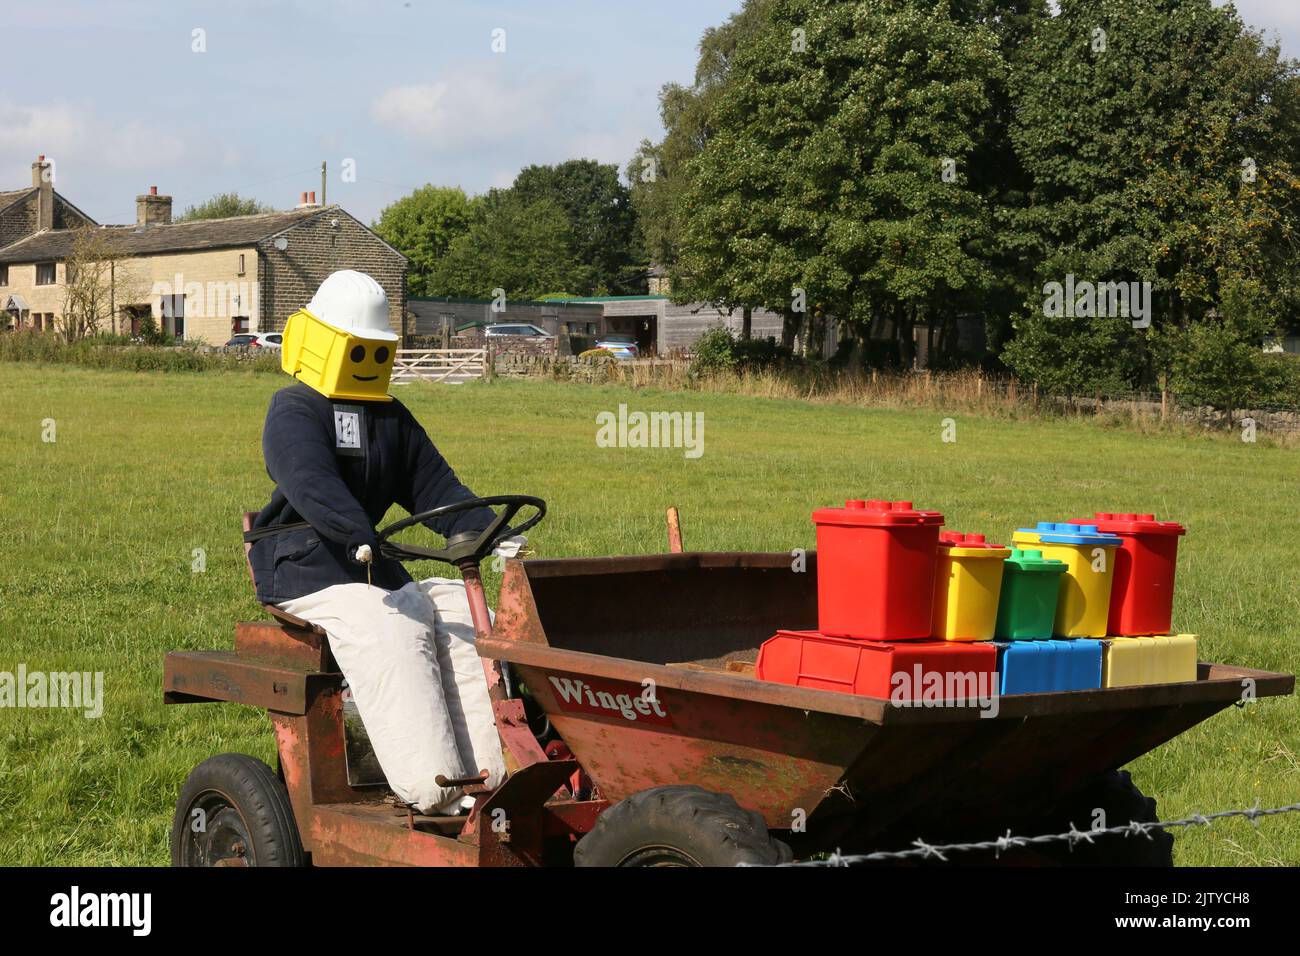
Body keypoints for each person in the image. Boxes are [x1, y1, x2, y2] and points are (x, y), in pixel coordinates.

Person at [246, 270, 518, 815]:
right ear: (324, 343)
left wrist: (492, 532)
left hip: (370, 565)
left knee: (458, 606)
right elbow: (308, 480)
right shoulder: (294, 408)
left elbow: (437, 487)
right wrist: (359, 537)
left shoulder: (390, 417)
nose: (368, 363)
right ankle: (435, 788)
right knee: (394, 619)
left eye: (376, 352)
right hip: (305, 565)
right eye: (358, 350)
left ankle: (492, 777)